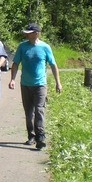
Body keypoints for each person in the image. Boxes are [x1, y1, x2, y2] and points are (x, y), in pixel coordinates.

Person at [8, 22, 62, 150]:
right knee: (29, 112)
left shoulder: (45, 47)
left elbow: (53, 65)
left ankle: (40, 137)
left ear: (36, 33)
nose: (26, 35)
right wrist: (12, 79)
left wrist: (58, 83)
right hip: (25, 84)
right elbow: (15, 63)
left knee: (39, 110)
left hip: (40, 85)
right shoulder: (22, 47)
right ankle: (31, 136)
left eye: (29, 33)